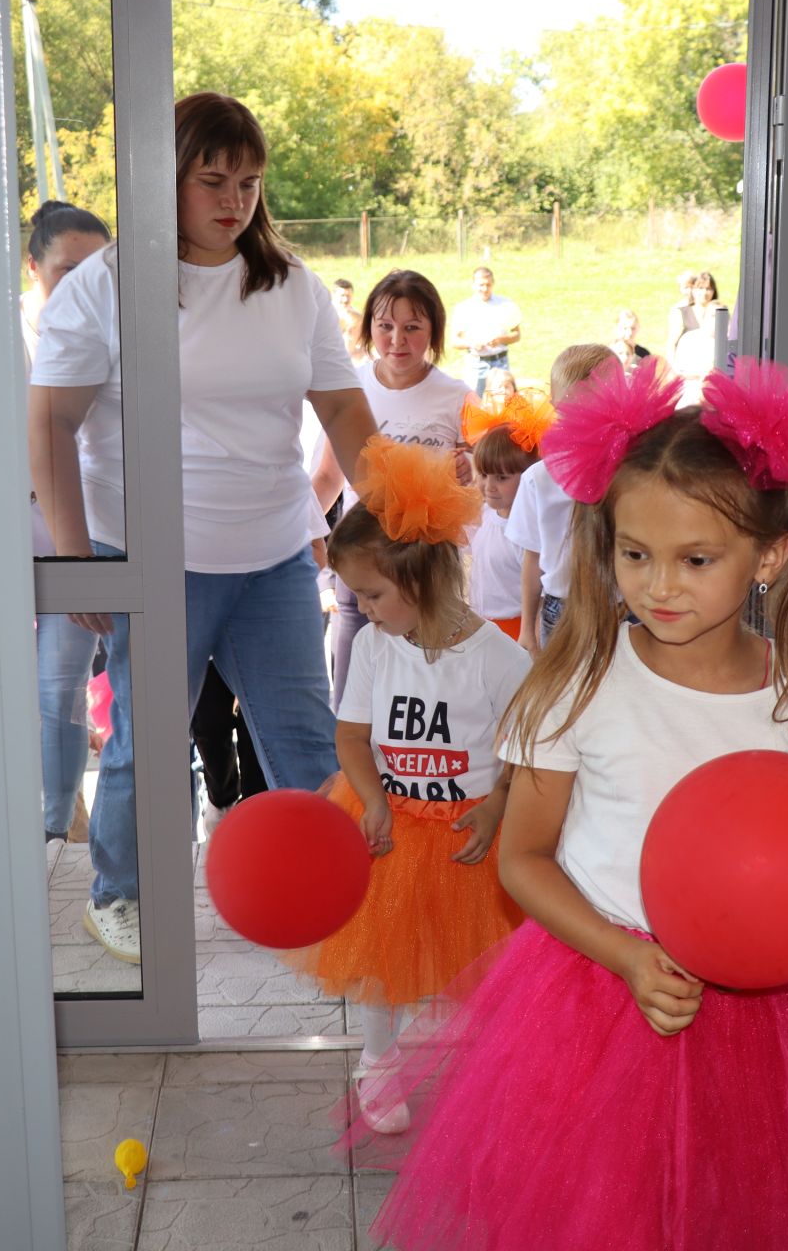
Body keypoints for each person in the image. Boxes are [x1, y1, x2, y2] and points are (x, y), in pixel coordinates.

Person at [358, 360, 788, 1250]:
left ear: (772, 556)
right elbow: (523, 860)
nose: (659, 585)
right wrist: (628, 960)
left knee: (727, 1212)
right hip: (596, 998)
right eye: (635, 554)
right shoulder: (580, 686)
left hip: (758, 1019)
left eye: (696, 560)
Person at [30, 92, 378, 962]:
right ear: (165, 180)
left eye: (250, 182)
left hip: (274, 558)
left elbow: (340, 406)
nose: (235, 200)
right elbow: (48, 425)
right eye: (212, 179)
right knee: (150, 746)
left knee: (306, 738)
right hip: (152, 559)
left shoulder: (292, 285)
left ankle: (341, 900)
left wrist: (400, 517)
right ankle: (119, 896)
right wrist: (77, 561)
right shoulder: (104, 288)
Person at [284, 439, 530, 1135]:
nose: (359, 605)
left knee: (474, 963)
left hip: (467, 833)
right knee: (380, 957)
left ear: (421, 579)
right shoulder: (372, 647)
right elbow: (352, 738)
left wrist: (499, 804)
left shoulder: (500, 660)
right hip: (389, 826)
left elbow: (525, 749)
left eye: (371, 593)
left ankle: (485, 1069)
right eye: (355, 592)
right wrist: (374, 799)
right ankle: (379, 1062)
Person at [325, 269, 473, 706]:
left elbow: (488, 475)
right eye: (385, 326)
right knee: (353, 699)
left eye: (412, 327)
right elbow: (326, 478)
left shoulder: (457, 395)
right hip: (360, 572)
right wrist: (309, 540)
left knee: (426, 697)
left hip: (428, 574)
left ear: (434, 331)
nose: (397, 340)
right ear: (368, 326)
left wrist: (472, 471)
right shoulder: (351, 388)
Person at [20, 201, 111, 851]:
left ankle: (54, 833)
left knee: (60, 696)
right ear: (33, 268)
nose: (81, 284)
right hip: (0, 551)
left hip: (76, 550)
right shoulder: (0, 344)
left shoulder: (115, 333)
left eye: (95, 269)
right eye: (65, 270)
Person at [506, 344, 617, 654]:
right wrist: (527, 628)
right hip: (563, 609)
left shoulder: (630, 472)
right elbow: (532, 557)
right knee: (565, 696)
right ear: (556, 407)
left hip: (622, 608)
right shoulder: (539, 479)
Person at [460, 388, 555, 639]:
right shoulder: (484, 513)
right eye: (483, 474)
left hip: (518, 628)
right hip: (482, 622)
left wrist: (532, 638)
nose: (489, 486)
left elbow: (542, 592)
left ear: (530, 477)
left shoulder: (528, 533)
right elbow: (466, 545)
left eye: (501, 478)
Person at [448, 266, 522, 396]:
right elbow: (454, 341)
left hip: (500, 362)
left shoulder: (505, 305)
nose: (485, 289)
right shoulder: (464, 308)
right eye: (481, 285)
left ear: (493, 284)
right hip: (476, 364)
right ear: (473, 285)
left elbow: (517, 334)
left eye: (488, 284)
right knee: (474, 404)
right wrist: (472, 343)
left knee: (504, 404)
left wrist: (501, 340)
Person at [666, 269, 719, 387]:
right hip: (686, 373)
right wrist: (674, 370)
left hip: (709, 373)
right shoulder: (682, 313)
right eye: (700, 288)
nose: (704, 293)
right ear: (693, 290)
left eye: (709, 288)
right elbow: (671, 344)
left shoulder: (717, 313)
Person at [331, 277, 368, 367]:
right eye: (342, 296)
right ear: (333, 295)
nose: (345, 300)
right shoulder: (325, 315)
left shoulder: (357, 317)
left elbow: (363, 342)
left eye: (348, 296)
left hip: (352, 360)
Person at [609, 308, 652, 374]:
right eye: (625, 328)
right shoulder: (608, 352)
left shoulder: (644, 354)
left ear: (638, 328)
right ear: (617, 328)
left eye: (633, 328)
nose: (629, 332)